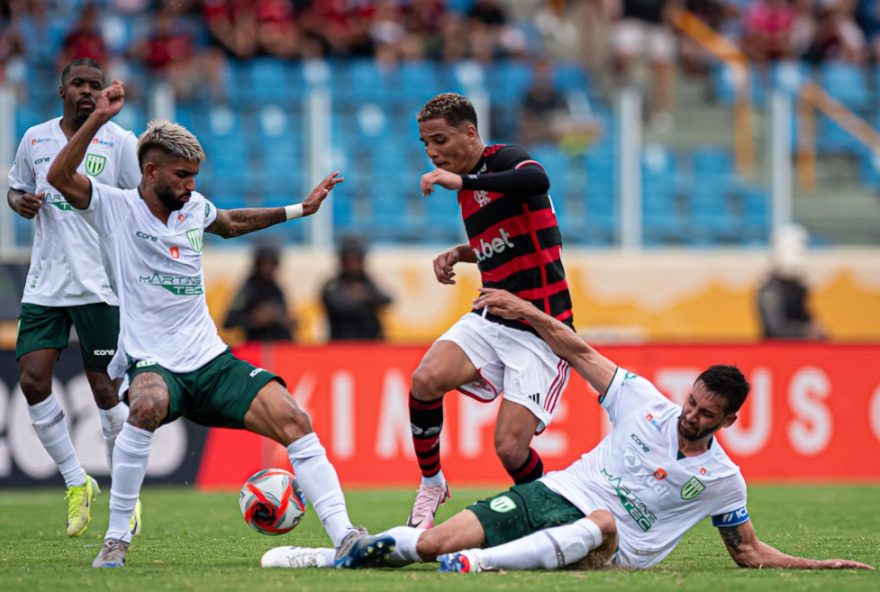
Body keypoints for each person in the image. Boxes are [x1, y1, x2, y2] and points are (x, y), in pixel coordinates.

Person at [261, 288, 873, 573]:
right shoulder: (645, 403)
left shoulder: (722, 480)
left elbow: (747, 553)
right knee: (432, 544)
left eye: (707, 414)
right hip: (554, 496)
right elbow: (579, 352)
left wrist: (819, 567)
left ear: (728, 421)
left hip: (611, 547)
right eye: (693, 402)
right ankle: (325, 557)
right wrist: (528, 312)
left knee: (602, 524)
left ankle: (486, 565)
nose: (691, 414)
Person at [46, 80, 392, 569]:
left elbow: (230, 222)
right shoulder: (115, 207)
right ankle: (117, 539)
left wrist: (299, 209)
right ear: (150, 170)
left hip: (211, 360)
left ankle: (346, 536)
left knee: (294, 419)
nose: (190, 186)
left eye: (194, 177)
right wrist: (97, 118)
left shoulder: (194, 208)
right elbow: (60, 176)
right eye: (182, 176)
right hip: (154, 361)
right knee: (145, 404)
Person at [405, 92, 575, 529]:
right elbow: (509, 246)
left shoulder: (504, 161)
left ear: (470, 132)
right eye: (426, 144)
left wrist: (463, 183)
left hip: (542, 327)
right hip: (493, 315)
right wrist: (462, 253)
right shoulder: (467, 186)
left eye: (439, 140)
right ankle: (432, 483)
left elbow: (537, 181)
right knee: (425, 379)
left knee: (510, 450)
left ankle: (553, 519)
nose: (432, 152)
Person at [6, 57, 141, 538]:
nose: (88, 91)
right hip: (46, 281)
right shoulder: (35, 139)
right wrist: (20, 203)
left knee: (107, 393)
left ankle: (128, 496)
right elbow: (18, 190)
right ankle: (75, 480)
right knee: (32, 379)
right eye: (79, 84)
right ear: (61, 90)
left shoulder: (120, 142)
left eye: (96, 85)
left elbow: (139, 202)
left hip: (101, 283)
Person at [756, 223, 826, 340]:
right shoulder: (770, 290)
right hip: (777, 352)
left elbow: (805, 317)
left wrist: (816, 329)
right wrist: (804, 331)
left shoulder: (797, 289)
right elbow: (774, 329)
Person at [320, 236, 393, 341]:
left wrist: (365, 296)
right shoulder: (333, 284)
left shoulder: (368, 282)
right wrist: (357, 299)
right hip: (342, 342)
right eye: (350, 261)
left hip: (370, 342)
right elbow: (337, 305)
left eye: (358, 260)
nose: (354, 265)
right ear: (343, 262)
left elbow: (386, 299)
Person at [224, 243, 296, 342]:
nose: (268, 268)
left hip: (278, 347)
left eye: (272, 264)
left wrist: (287, 321)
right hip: (255, 347)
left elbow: (284, 315)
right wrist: (254, 319)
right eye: (265, 264)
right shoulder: (248, 290)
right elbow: (228, 322)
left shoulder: (276, 289)